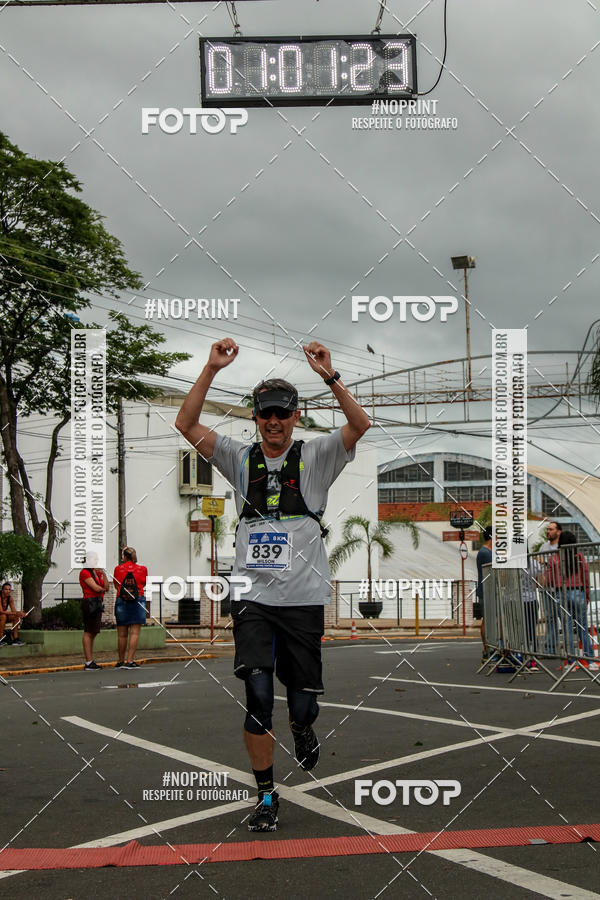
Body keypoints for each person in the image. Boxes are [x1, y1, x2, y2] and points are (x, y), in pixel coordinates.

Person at [175, 337, 370, 832]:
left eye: (283, 413)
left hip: (303, 601)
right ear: (256, 418)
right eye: (266, 415)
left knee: (300, 701)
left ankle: (303, 725)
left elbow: (359, 425)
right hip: (253, 600)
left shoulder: (318, 456)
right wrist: (210, 368)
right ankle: (266, 796)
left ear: (295, 416)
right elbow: (187, 425)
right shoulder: (240, 459)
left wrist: (330, 374)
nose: (274, 422)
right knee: (258, 696)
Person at [113, 546, 148, 669]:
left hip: (121, 599)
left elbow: (116, 584)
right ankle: (130, 660)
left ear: (124, 556)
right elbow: (143, 583)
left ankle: (120, 661)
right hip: (138, 599)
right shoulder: (142, 569)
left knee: (122, 634)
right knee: (134, 632)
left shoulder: (118, 569)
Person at [79, 557, 109, 670]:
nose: (96, 562)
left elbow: (106, 587)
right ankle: (88, 661)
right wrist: (102, 589)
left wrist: (103, 575)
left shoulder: (97, 573)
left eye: (97, 560)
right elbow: (95, 588)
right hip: (89, 602)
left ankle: (90, 659)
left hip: (98, 602)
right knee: (88, 631)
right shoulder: (85, 573)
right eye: (94, 560)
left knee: (94, 631)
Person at [475, 526, 492, 661]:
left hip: (488, 589)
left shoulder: (489, 551)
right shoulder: (485, 553)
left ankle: (489, 648)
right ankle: (487, 649)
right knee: (487, 620)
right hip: (486, 590)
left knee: (490, 619)